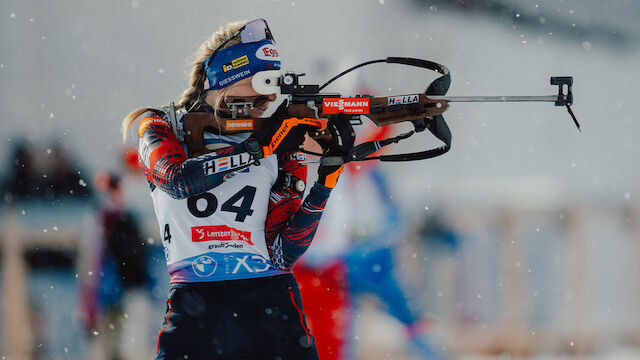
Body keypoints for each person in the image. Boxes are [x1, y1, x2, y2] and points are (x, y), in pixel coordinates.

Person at [121, 19, 355, 359]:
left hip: (270, 303)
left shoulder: (278, 139)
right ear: (228, 75)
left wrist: (326, 181)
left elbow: (281, 254)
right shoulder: (161, 124)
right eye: (262, 81)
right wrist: (256, 148)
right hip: (195, 304)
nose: (270, 96)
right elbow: (177, 179)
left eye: (275, 83)